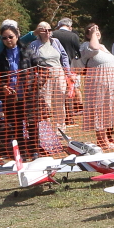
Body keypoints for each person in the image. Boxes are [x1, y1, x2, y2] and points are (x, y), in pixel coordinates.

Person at [27, 21, 70, 151]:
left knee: (59, 103)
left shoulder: (55, 42)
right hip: (44, 75)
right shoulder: (34, 45)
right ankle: (47, 133)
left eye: (49, 30)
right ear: (39, 32)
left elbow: (64, 56)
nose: (47, 32)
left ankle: (60, 130)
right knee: (46, 104)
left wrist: (67, 72)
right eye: (44, 30)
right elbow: (31, 61)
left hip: (59, 73)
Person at [78, 24, 114, 149]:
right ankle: (102, 141)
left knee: (107, 110)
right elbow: (94, 47)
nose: (96, 31)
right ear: (87, 34)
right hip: (98, 83)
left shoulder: (103, 46)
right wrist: (93, 34)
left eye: (98, 29)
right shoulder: (87, 46)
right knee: (99, 110)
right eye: (93, 30)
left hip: (110, 83)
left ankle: (106, 139)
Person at [0, 21, 30, 156]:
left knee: (31, 123)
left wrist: (35, 83)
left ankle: (33, 150)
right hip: (10, 97)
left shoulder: (27, 51)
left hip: (27, 94)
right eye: (4, 38)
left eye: (10, 37)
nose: (8, 40)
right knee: (15, 125)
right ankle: (20, 151)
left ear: (17, 36)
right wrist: (3, 86)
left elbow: (41, 67)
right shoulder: (0, 57)